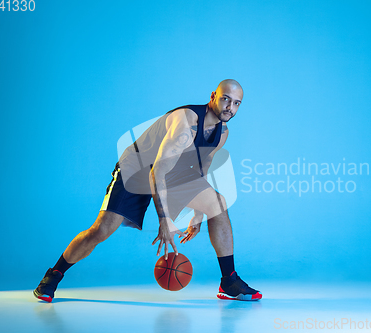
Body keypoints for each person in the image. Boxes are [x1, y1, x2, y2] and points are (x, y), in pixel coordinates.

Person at [33, 79, 262, 302]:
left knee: (218, 204)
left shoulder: (222, 133)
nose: (230, 107)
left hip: (173, 170)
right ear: (213, 96)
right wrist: (164, 220)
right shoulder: (186, 122)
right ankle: (54, 275)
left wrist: (199, 212)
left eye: (236, 103)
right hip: (138, 169)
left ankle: (229, 281)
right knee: (101, 230)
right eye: (225, 99)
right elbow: (156, 173)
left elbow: (202, 165)